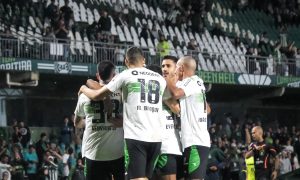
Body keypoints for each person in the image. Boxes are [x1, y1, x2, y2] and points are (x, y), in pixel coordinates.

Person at [78, 47, 167, 180]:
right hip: (156, 138)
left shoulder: (126, 75)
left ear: (126, 61)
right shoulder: (160, 79)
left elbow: (97, 95)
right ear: (143, 60)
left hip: (136, 137)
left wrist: (83, 87)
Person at [74, 60, 124, 180]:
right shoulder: (121, 93)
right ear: (114, 76)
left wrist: (87, 122)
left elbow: (77, 123)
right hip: (117, 152)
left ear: (98, 75)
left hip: (93, 153)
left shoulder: (84, 95)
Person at [165, 56, 210, 179]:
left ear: (182, 68)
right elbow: (208, 110)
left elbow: (175, 93)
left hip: (196, 141)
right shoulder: (193, 84)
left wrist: (167, 78)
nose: (174, 71)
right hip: (192, 142)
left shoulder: (193, 81)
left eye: (176, 68)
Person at [154, 56, 183, 180]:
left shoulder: (183, 86)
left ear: (176, 68)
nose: (164, 69)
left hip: (180, 143)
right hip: (164, 144)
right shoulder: (160, 85)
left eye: (168, 66)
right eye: (163, 66)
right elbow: (178, 110)